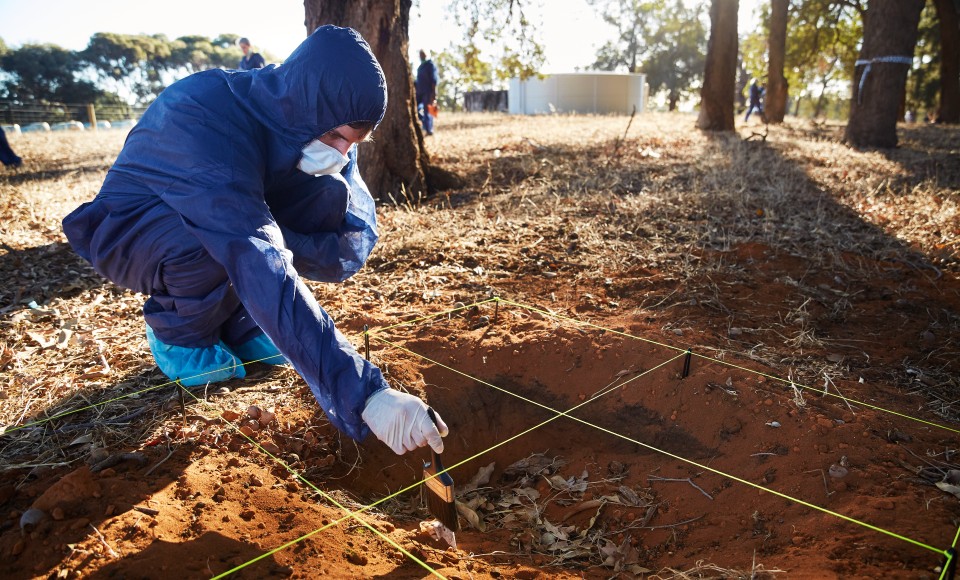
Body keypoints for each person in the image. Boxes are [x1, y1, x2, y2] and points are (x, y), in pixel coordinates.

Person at [62, 26, 448, 457]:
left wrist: (303, 261)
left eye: (353, 143)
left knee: (329, 191)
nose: (342, 152)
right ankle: (180, 333)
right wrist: (365, 394)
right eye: (337, 138)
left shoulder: (313, 122)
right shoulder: (204, 117)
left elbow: (344, 227)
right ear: (304, 103)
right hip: (138, 230)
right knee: (208, 241)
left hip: (235, 222)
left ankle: (244, 325)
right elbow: (254, 251)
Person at [415, 49, 439, 135]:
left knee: (428, 110)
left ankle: (429, 130)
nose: (421, 56)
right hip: (419, 92)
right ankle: (424, 124)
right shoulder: (420, 67)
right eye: (420, 55)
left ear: (426, 55)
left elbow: (434, 80)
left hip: (428, 92)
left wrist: (434, 93)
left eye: (422, 54)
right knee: (416, 109)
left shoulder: (430, 65)